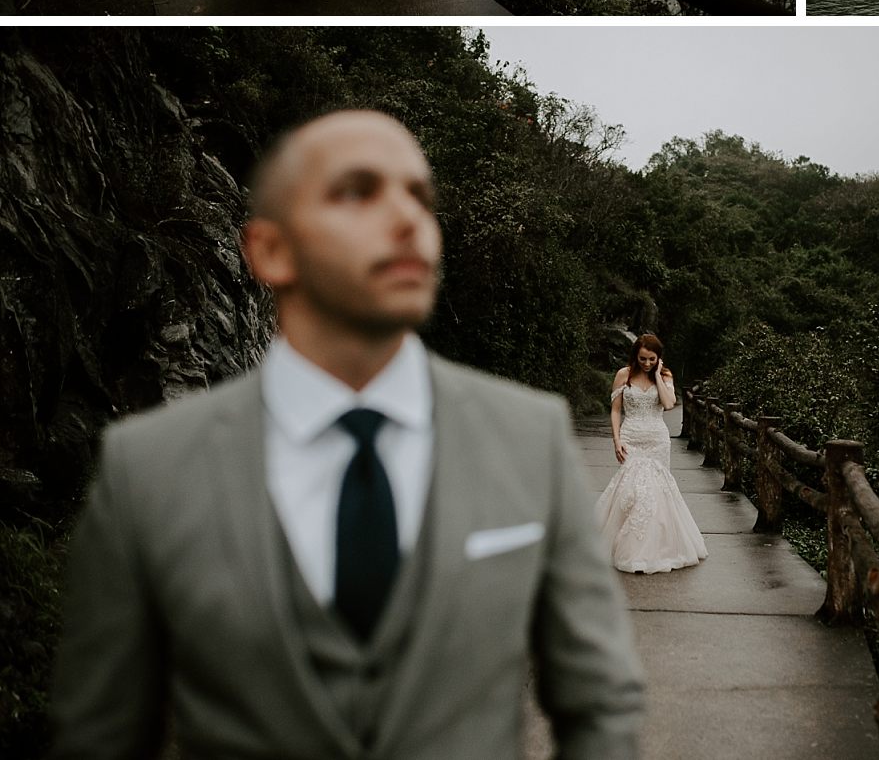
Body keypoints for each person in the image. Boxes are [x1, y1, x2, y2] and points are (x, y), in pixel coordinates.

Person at [50, 110, 644, 760]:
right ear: (271, 249)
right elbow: (98, 734)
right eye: (358, 191)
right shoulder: (147, 466)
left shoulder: (530, 437)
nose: (407, 219)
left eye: (420, 196)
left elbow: (601, 702)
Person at [594, 334, 708, 574]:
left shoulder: (665, 376)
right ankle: (627, 546)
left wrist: (657, 376)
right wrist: (616, 440)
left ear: (659, 358)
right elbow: (615, 411)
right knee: (632, 492)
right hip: (631, 437)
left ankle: (652, 550)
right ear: (636, 355)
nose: (646, 363)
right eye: (643, 359)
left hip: (656, 440)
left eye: (652, 359)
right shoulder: (623, 375)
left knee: (656, 494)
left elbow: (668, 405)